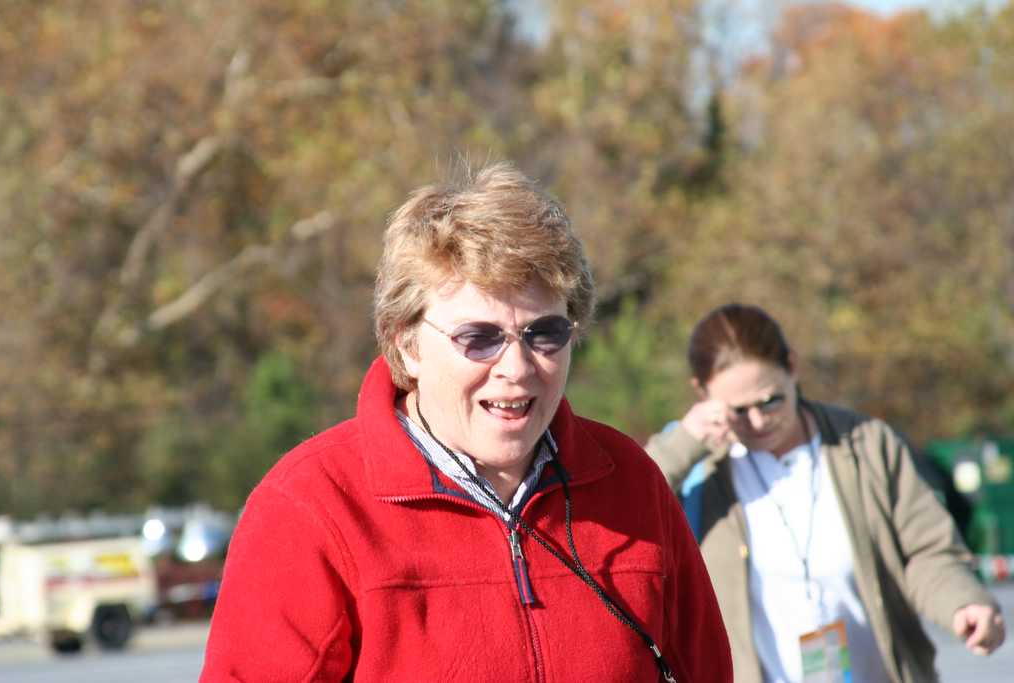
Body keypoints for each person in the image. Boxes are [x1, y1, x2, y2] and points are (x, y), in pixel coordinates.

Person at [200, 163, 731, 682]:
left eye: (545, 334)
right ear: (408, 347)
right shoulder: (311, 505)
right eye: (479, 338)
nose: (516, 368)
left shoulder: (631, 482)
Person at [645, 302, 1006, 682]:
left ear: (793, 367)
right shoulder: (699, 468)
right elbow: (623, 504)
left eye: (771, 400)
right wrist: (684, 443)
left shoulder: (866, 444)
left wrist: (963, 602)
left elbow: (925, 550)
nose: (758, 421)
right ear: (702, 393)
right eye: (739, 410)